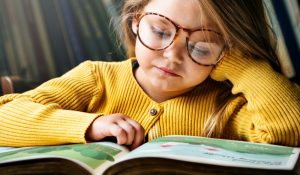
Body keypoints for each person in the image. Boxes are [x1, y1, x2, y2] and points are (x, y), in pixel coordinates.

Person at [0, 0, 299, 149]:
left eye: (202, 47)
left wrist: (242, 65)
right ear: (135, 20)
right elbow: (5, 116)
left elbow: (288, 132)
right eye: (159, 31)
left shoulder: (226, 106)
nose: (173, 55)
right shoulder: (96, 78)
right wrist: (90, 125)